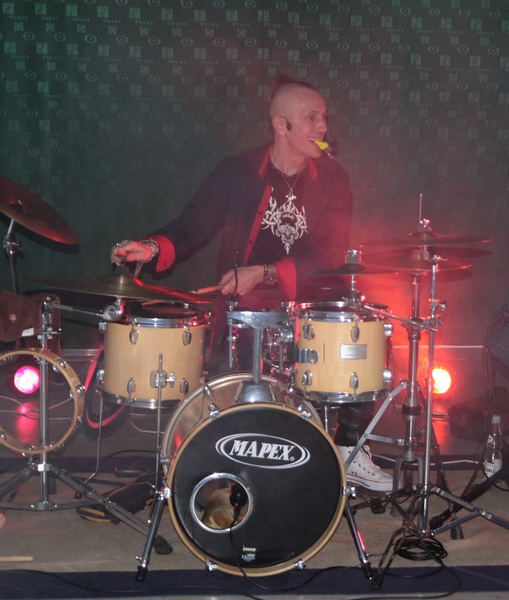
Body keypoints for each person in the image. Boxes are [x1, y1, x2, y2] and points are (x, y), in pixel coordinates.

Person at [110, 75, 392, 492]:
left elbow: (331, 253)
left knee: (367, 336)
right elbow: (192, 226)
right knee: (238, 401)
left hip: (311, 303)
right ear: (281, 125)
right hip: (248, 311)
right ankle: (238, 467)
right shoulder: (238, 171)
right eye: (311, 118)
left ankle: (349, 448)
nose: (322, 127)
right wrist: (151, 248)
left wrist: (263, 271)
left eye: (324, 118)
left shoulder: (334, 178)